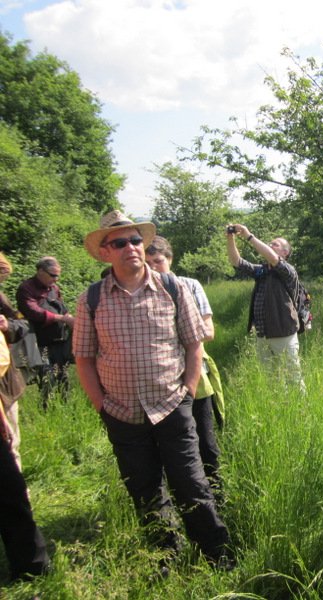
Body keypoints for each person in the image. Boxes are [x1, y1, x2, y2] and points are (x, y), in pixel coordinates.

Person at [72, 210, 233, 571]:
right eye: (119, 242)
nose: (130, 247)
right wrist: (102, 405)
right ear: (104, 252)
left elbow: (194, 345)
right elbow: (83, 358)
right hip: (122, 413)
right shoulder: (91, 300)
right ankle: (164, 556)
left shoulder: (172, 287)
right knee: (144, 489)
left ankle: (216, 554)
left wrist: (189, 391)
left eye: (135, 240)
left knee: (192, 483)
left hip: (173, 405)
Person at [145, 236, 224, 496]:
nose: (154, 268)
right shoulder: (140, 292)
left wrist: (172, 337)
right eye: (149, 263)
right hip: (156, 382)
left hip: (194, 377)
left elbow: (209, 331)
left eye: (158, 261)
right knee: (167, 447)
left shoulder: (188, 285)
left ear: (170, 259)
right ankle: (182, 497)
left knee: (205, 442)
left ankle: (216, 495)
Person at [226, 224, 306, 391]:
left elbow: (272, 257)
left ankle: (301, 410)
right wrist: (230, 237)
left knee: (293, 376)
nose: (270, 245)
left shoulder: (287, 271)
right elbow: (236, 261)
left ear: (285, 253)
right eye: (270, 243)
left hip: (283, 332)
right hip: (263, 334)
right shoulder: (261, 271)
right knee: (271, 378)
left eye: (275, 244)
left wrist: (249, 236)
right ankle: (278, 409)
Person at [0, 319, 51, 582]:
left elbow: (22, 324)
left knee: (10, 481)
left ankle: (32, 568)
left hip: (5, 391)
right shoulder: (29, 289)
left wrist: (8, 325)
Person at [16, 256, 74, 401]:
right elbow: (34, 312)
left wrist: (71, 318)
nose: (56, 279)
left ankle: (65, 409)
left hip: (60, 341)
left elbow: (62, 308)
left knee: (63, 377)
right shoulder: (26, 289)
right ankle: (47, 411)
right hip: (40, 342)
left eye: (58, 276)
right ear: (40, 271)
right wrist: (62, 318)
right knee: (47, 380)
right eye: (53, 275)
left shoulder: (54, 288)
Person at [0, 252, 29, 469]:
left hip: (5, 385)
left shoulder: (1, 299)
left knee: (10, 441)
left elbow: (22, 324)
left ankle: (17, 498)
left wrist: (8, 326)